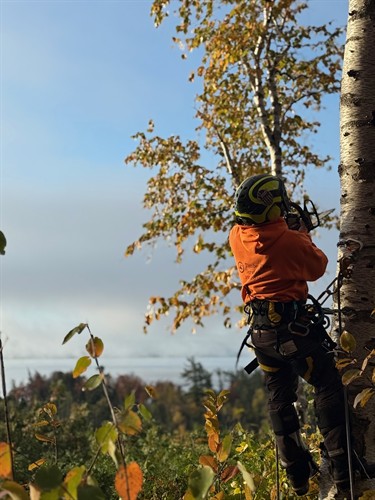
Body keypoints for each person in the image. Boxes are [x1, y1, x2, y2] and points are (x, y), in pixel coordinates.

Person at [229, 173, 350, 496]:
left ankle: (296, 472)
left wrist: (291, 231)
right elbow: (317, 267)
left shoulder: (236, 236)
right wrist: (303, 235)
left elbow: (268, 241)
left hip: (261, 336)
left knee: (280, 398)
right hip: (292, 335)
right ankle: (344, 468)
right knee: (328, 383)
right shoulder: (290, 242)